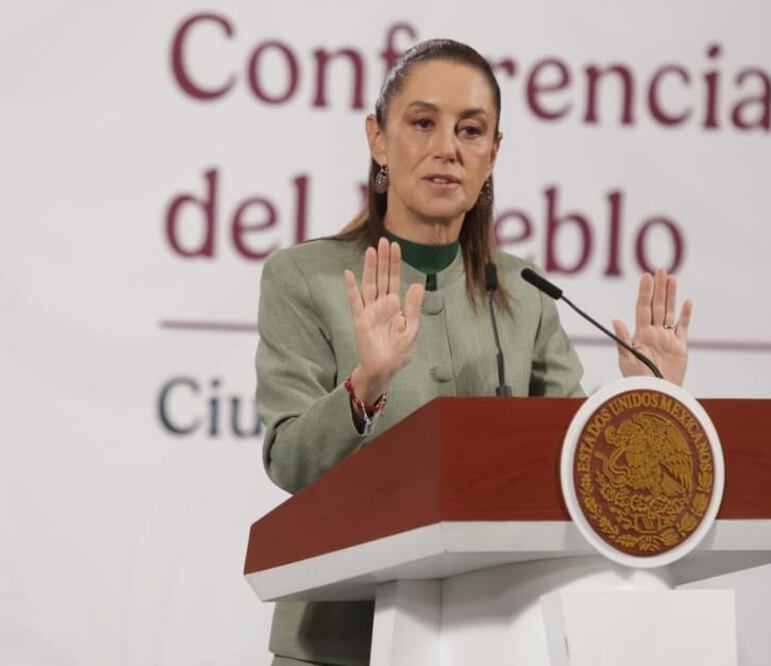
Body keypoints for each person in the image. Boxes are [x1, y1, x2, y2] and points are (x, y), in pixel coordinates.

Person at [255, 38, 694, 666]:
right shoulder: (306, 278)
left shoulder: (525, 291)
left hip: (495, 635)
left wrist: (648, 398)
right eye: (423, 123)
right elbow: (288, 460)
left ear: (493, 153)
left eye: (470, 130)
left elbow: (576, 465)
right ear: (378, 139)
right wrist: (365, 385)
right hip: (343, 641)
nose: (447, 149)